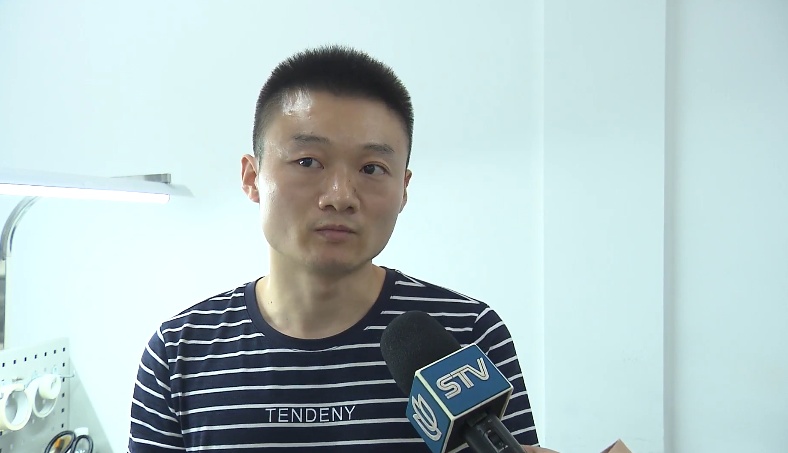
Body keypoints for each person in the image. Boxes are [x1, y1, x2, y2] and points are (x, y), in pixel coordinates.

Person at [129, 45, 555, 453]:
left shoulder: (468, 336)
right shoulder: (178, 353)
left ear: (403, 190)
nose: (340, 196)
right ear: (252, 177)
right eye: (308, 162)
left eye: (372, 168)